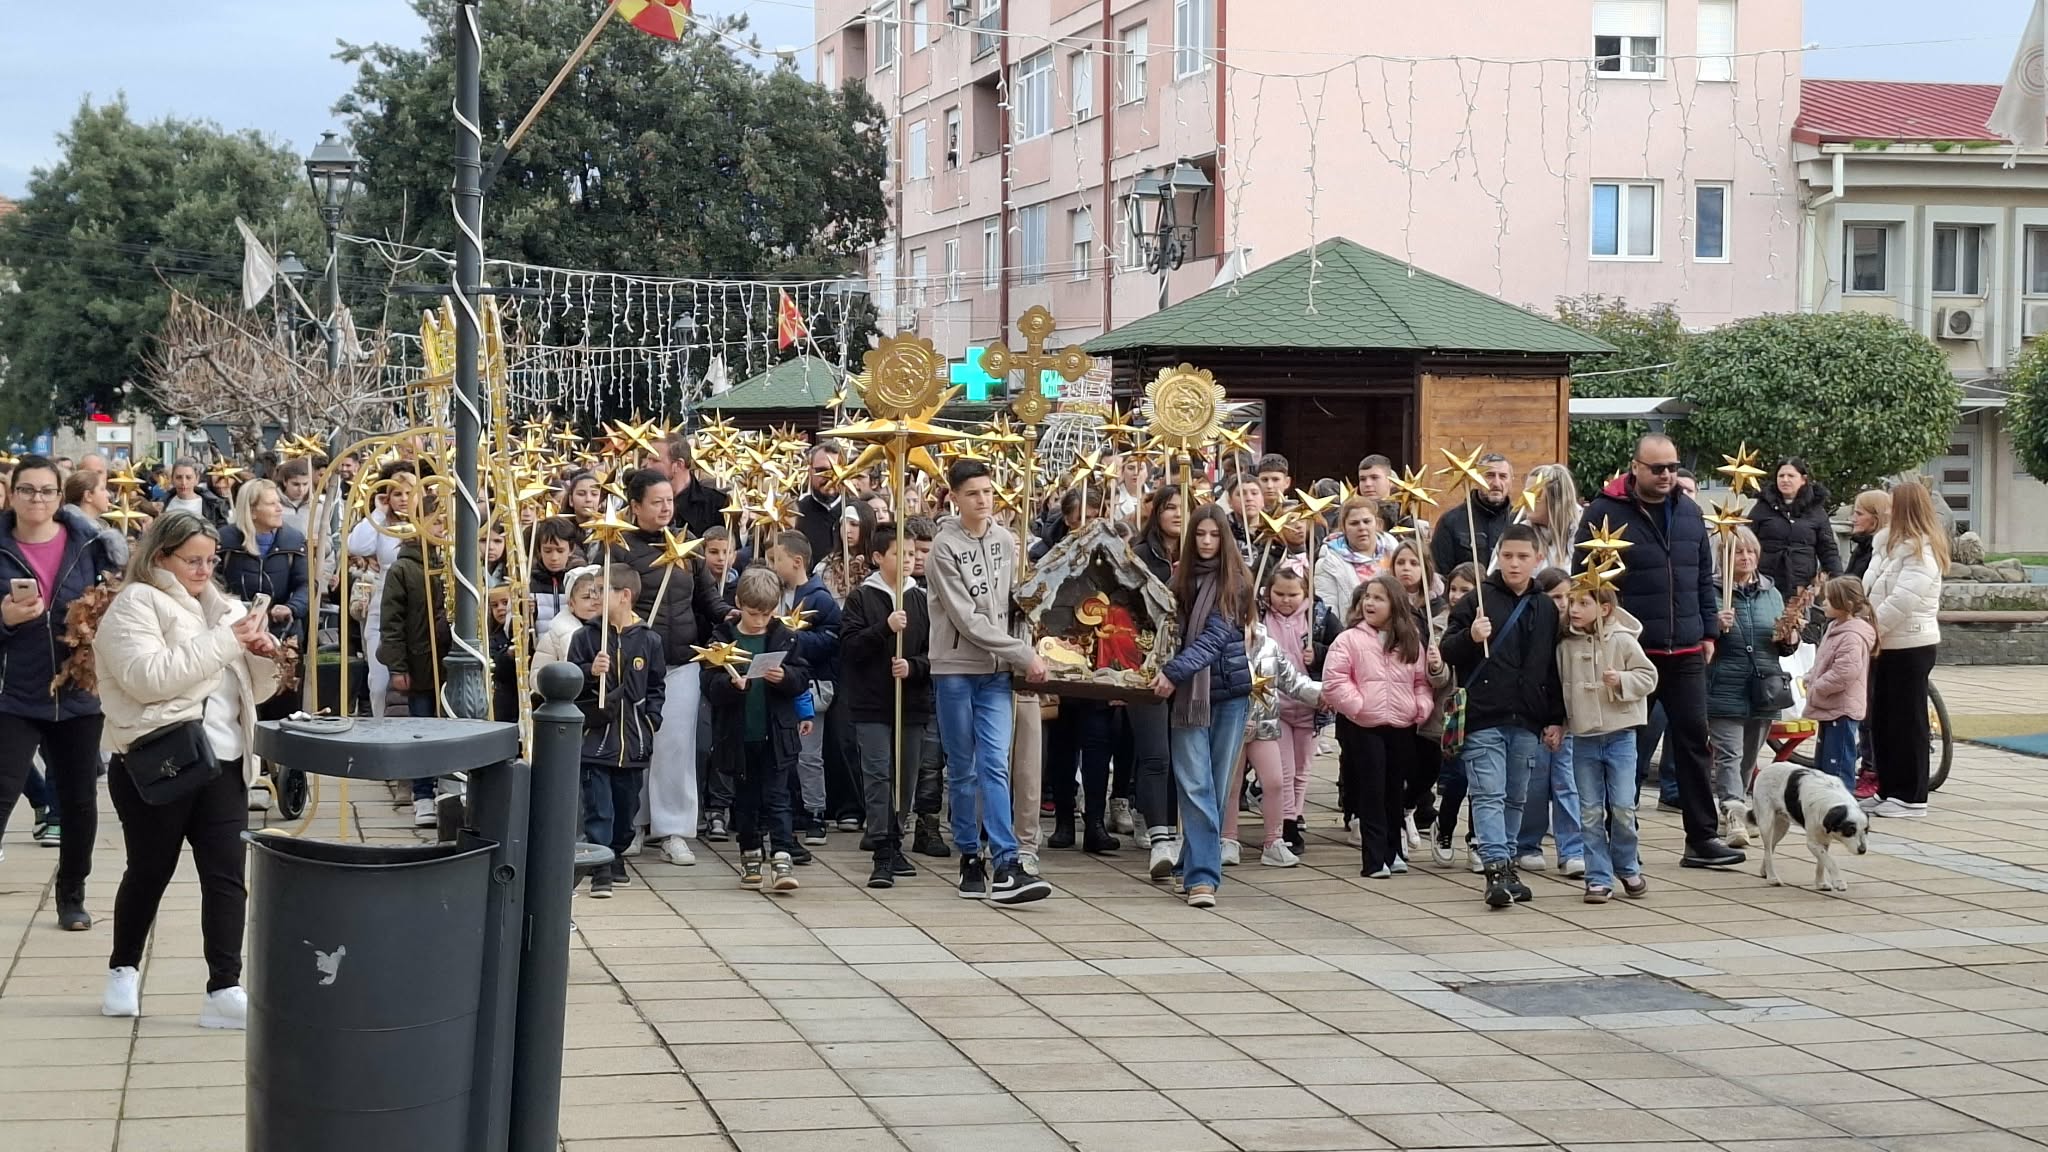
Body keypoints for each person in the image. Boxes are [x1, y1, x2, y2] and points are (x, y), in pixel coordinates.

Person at [93, 511, 280, 1026]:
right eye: (192, 560)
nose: (203, 570)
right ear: (160, 557)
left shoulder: (225, 608)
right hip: (160, 758)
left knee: (226, 877)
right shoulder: (135, 603)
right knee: (149, 870)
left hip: (225, 759)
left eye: (211, 560)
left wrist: (263, 655)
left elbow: (253, 692)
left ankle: (225, 987)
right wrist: (228, 641)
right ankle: (123, 970)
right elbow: (147, 678)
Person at [1578, 435, 1743, 870]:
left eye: (1672, 466)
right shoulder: (1603, 512)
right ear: (1635, 467)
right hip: (1631, 650)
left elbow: (1702, 577)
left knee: (1693, 743)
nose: (1667, 474)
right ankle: (1617, 841)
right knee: (1625, 747)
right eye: (1657, 468)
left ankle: (1702, 838)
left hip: (1685, 649)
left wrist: (1708, 632)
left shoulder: (1689, 512)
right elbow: (1585, 582)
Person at [0, 455, 121, 929]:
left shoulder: (88, 544)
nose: (37, 499)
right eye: (27, 490)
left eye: (47, 490)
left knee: (78, 802)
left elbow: (115, 602)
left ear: (59, 496)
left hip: (77, 692)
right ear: (11, 494)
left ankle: (72, 896)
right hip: (14, 693)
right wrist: (4, 620)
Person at [927, 459, 1052, 905]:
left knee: (996, 764)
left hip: (997, 672)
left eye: (987, 491)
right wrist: (1021, 652)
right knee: (963, 769)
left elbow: (1016, 604)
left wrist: (1032, 636)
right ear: (955, 498)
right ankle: (969, 855)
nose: (983, 500)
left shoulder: (1006, 540)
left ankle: (1007, 861)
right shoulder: (942, 548)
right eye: (973, 493)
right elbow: (966, 617)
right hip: (956, 668)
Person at [610, 468, 731, 866]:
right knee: (634, 743)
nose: (665, 508)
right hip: (635, 662)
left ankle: (673, 829)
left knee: (675, 746)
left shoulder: (686, 545)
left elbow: (707, 599)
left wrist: (730, 615)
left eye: (669, 501)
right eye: (656, 502)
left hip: (681, 661)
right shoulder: (618, 547)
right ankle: (631, 824)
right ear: (635, 506)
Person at [1442, 524, 1566, 907]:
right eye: (1508, 556)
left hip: (1526, 717)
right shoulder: (1477, 600)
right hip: (1484, 714)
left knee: (1515, 796)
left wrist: (1556, 717)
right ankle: (1494, 866)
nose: (1514, 564)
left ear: (1537, 559)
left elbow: (1551, 667)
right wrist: (1470, 637)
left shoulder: (1545, 607)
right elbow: (1447, 650)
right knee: (1488, 793)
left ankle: (1508, 863)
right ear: (1498, 556)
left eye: (1522, 557)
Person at [1152, 503, 1255, 909]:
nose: (1207, 541)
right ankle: (1203, 877)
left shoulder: (1236, 581)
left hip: (1227, 694)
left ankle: (1190, 864)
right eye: (1200, 534)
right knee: (1195, 784)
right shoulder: (1178, 580)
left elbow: (1214, 638)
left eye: (1214, 534)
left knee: (1214, 784)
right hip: (1188, 698)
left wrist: (1173, 671)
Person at [1324, 573, 1440, 879]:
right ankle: (1374, 858)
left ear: (1395, 604)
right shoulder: (1349, 639)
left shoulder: (1410, 640)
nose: (1370, 603)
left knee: (1394, 790)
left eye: (1379, 598)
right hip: (1364, 725)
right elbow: (1335, 679)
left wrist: (1420, 706)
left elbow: (1421, 681)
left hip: (1401, 724)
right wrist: (1358, 706)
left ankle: (1394, 850)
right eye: (1367, 597)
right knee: (1372, 789)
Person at [702, 568, 810, 892]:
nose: (760, 621)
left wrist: (785, 678)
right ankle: (750, 853)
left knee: (779, 797)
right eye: (753, 614)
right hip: (738, 735)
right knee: (746, 801)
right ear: (739, 604)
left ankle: (782, 855)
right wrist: (731, 685)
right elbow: (709, 685)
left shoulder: (785, 636)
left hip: (776, 733)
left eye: (766, 613)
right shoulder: (721, 639)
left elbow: (802, 677)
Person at [840, 523, 932, 888]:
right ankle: (881, 845)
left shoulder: (921, 599)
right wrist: (884, 628)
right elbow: (850, 648)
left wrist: (914, 667)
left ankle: (897, 837)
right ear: (879, 557)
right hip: (873, 703)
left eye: (911, 554)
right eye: (899, 554)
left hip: (911, 703)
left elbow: (934, 653)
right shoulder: (862, 598)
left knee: (907, 774)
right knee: (878, 773)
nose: (907, 560)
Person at [1557, 580, 1658, 903]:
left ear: (1604, 608)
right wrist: (1559, 724)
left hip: (1620, 736)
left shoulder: (1623, 640)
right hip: (1584, 738)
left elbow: (1648, 676)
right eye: (1572, 602)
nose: (1574, 609)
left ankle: (1627, 865)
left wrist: (1622, 680)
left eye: (1583, 603)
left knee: (1623, 807)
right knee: (1589, 811)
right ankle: (1598, 877)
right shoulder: (1565, 646)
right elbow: (1559, 689)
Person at [569, 566, 666, 898]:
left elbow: (656, 686)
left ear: (624, 596)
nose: (594, 595)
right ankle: (601, 867)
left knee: (626, 809)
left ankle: (616, 853)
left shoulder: (649, 639)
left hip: (633, 740)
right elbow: (569, 681)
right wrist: (589, 670)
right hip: (596, 739)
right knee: (599, 808)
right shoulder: (585, 637)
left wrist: (652, 720)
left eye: (602, 589)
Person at [1705, 527, 1798, 845]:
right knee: (1729, 754)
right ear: (1723, 557)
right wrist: (1714, 625)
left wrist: (1789, 637)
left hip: (1764, 688)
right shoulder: (1710, 591)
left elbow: (1782, 647)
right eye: (1737, 552)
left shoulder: (1771, 593)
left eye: (1750, 552)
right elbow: (1696, 632)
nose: (1745, 558)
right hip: (1724, 685)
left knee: (1748, 757)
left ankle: (1731, 807)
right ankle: (1734, 814)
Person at [1864, 480, 1946, 818]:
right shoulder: (1887, 547)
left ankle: (1912, 795)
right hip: (1885, 645)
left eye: (1892, 505)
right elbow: (1872, 588)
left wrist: (1872, 630)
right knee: (1884, 719)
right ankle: (1888, 788)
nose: (1887, 511)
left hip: (1910, 645)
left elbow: (1902, 601)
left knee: (1908, 721)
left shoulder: (1922, 552)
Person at [768, 530, 846, 841]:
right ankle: (788, 809)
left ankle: (815, 811)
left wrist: (792, 639)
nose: (771, 566)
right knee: (783, 752)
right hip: (779, 681)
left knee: (809, 753)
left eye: (776, 559)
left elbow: (832, 639)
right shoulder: (774, 595)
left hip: (811, 684)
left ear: (797, 561)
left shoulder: (819, 598)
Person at [379, 502, 452, 827]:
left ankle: (448, 789)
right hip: (420, 663)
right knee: (422, 728)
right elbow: (391, 623)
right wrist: (397, 667)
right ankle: (422, 794)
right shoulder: (403, 569)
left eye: (446, 522)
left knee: (452, 729)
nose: (441, 529)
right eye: (435, 522)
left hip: (453, 665)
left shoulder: (456, 563)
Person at [1516, 568, 1585, 878]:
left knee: (1567, 784)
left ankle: (1572, 849)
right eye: (1556, 597)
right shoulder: (1532, 631)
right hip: (1537, 720)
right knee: (1535, 783)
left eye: (1569, 598)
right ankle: (1528, 844)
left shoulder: (1577, 634)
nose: (1564, 604)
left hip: (1569, 721)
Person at [1261, 560, 1333, 859]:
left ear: (1305, 593)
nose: (1286, 600)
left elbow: (1339, 650)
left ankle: (1296, 812)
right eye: (1279, 594)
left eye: (1293, 595)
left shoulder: (1320, 617)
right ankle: (1287, 822)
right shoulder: (1261, 616)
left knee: (1303, 767)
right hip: (1274, 703)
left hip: (1310, 704)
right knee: (1284, 768)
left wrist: (1319, 654)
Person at [347, 460, 416, 719]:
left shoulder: (428, 521)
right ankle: (379, 725)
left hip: (417, 604)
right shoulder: (382, 523)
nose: (403, 499)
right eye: (397, 493)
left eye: (409, 493)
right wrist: (377, 512)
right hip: (383, 604)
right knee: (378, 683)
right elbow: (357, 546)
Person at [1430, 562, 1480, 868]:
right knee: (1458, 776)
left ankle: (1477, 837)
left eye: (1466, 589)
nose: (1457, 595)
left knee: (1483, 781)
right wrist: (1436, 665)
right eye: (1454, 589)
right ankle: (1445, 827)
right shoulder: (1440, 623)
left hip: (1485, 707)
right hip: (1455, 709)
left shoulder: (1490, 620)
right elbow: (1438, 676)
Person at [1806, 575, 1877, 793]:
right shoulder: (1835, 627)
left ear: (1846, 604)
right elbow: (1825, 660)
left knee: (1838, 764)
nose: (1824, 603)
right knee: (1825, 764)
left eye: (1829, 599)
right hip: (1830, 705)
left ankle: (1842, 802)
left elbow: (1845, 672)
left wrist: (1818, 686)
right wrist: (1811, 676)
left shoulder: (1852, 635)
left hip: (1842, 708)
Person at [1752, 457, 1841, 597]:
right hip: (1766, 583)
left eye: (1791, 476)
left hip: (1801, 587)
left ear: (1803, 479)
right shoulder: (1762, 508)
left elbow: (1828, 549)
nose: (1785, 480)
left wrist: (1837, 580)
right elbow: (1748, 540)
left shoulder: (1816, 511)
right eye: (1781, 476)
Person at [1432, 452, 1514, 577]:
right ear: (1476, 479)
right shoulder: (1451, 522)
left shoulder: (1518, 521)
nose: (1496, 483)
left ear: (1511, 481)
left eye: (1503, 476)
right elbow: (1440, 574)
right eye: (1489, 476)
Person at [1314, 496, 1395, 616]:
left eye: (1367, 521)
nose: (1362, 527)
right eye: (1354, 523)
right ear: (1344, 528)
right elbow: (1328, 614)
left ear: (1377, 523)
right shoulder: (1328, 562)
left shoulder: (1393, 551)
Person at [660, 437, 731, 537]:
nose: (646, 465)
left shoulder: (717, 505)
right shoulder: (642, 501)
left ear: (678, 465)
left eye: (654, 460)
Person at [63, 466, 132, 569]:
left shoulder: (96, 529)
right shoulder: (80, 535)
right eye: (102, 489)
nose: (108, 494)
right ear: (88, 496)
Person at [528, 516, 582, 633]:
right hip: (539, 643)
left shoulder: (580, 580)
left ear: (571, 549)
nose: (554, 557)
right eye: (547, 551)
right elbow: (510, 631)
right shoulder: (528, 581)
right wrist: (525, 615)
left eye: (560, 551)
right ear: (539, 549)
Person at [796, 444, 846, 563]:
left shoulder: (857, 510)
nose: (830, 477)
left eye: (835, 470)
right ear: (810, 471)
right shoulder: (795, 512)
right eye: (822, 470)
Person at [164, 458, 231, 526]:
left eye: (188, 477)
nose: (183, 482)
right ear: (172, 479)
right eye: (179, 477)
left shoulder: (213, 506)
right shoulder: (163, 504)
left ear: (197, 479)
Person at [1845, 489, 1890, 581]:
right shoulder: (1862, 547)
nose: (1853, 519)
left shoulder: (1884, 552)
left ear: (1876, 519)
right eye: (1854, 513)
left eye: (1859, 514)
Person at [274, 457, 314, 537]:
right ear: (285, 481)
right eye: (296, 484)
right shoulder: (273, 504)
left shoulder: (317, 506)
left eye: (305, 484)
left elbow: (328, 539)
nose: (301, 489)